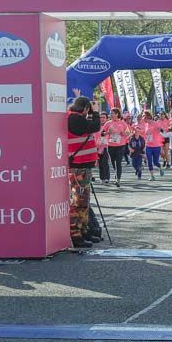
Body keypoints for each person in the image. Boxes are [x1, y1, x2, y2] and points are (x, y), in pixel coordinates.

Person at [67, 96, 101, 249]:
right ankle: (75, 234)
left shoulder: (75, 118)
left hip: (82, 166)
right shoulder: (74, 119)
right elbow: (95, 126)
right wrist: (96, 113)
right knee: (78, 202)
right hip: (78, 166)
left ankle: (83, 230)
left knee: (84, 202)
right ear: (86, 108)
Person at [102, 108, 130, 187]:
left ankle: (118, 180)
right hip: (111, 145)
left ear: (117, 114)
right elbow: (102, 133)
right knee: (113, 162)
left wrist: (123, 133)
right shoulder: (108, 123)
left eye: (112, 113)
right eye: (110, 113)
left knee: (118, 163)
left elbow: (128, 133)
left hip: (120, 146)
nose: (111, 114)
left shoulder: (123, 123)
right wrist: (108, 132)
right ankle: (116, 173)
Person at [138, 110, 165, 181]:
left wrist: (159, 130)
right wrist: (137, 131)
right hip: (148, 146)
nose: (143, 117)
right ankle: (152, 176)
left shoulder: (156, 123)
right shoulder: (146, 125)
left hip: (156, 146)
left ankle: (160, 167)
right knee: (149, 161)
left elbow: (161, 130)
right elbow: (144, 133)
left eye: (144, 116)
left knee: (155, 162)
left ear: (148, 117)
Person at [96, 112, 111, 184]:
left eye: (103, 117)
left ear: (107, 119)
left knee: (105, 163)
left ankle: (106, 178)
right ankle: (102, 178)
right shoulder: (96, 127)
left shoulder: (109, 126)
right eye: (100, 117)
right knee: (100, 163)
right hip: (97, 146)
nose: (102, 119)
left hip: (106, 146)